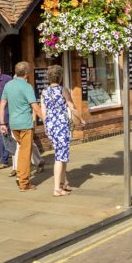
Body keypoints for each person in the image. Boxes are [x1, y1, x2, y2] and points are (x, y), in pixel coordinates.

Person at [40, 64, 85, 197]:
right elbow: (72, 107)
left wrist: (46, 127)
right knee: (60, 157)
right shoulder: (63, 90)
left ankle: (62, 184)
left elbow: (44, 112)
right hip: (61, 126)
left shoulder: (44, 92)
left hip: (51, 126)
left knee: (63, 155)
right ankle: (56, 189)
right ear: (60, 77)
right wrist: (81, 119)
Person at [0, 61, 44, 192]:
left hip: (13, 124)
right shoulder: (27, 87)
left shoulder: (8, 85)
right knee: (25, 153)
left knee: (21, 151)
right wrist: (46, 119)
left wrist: (2, 123)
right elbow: (35, 106)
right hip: (25, 124)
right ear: (26, 73)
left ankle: (20, 174)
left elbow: (2, 106)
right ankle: (24, 183)